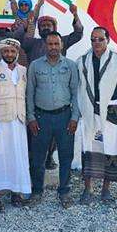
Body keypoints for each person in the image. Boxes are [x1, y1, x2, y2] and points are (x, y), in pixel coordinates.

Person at [26, 32, 80, 208]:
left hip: (64, 117)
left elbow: (76, 93)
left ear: (61, 45)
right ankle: (37, 191)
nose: (53, 47)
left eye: (56, 44)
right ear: (45, 45)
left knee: (66, 156)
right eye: (50, 44)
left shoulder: (70, 66)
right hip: (41, 117)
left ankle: (64, 191)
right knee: (38, 157)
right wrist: (31, 117)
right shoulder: (35, 65)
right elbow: (29, 93)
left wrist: (74, 117)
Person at [76, 27, 117, 204]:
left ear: (108, 40)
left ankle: (106, 190)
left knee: (110, 149)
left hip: (111, 111)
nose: (96, 42)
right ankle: (88, 189)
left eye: (100, 39)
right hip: (89, 110)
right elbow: (79, 88)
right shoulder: (82, 61)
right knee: (89, 148)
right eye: (93, 39)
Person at [0, 38, 32, 210]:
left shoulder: (23, 70)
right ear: (1, 52)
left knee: (18, 157)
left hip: (19, 120)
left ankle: (16, 193)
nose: (9, 54)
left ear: (17, 52)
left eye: (12, 51)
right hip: (0, 121)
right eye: (6, 51)